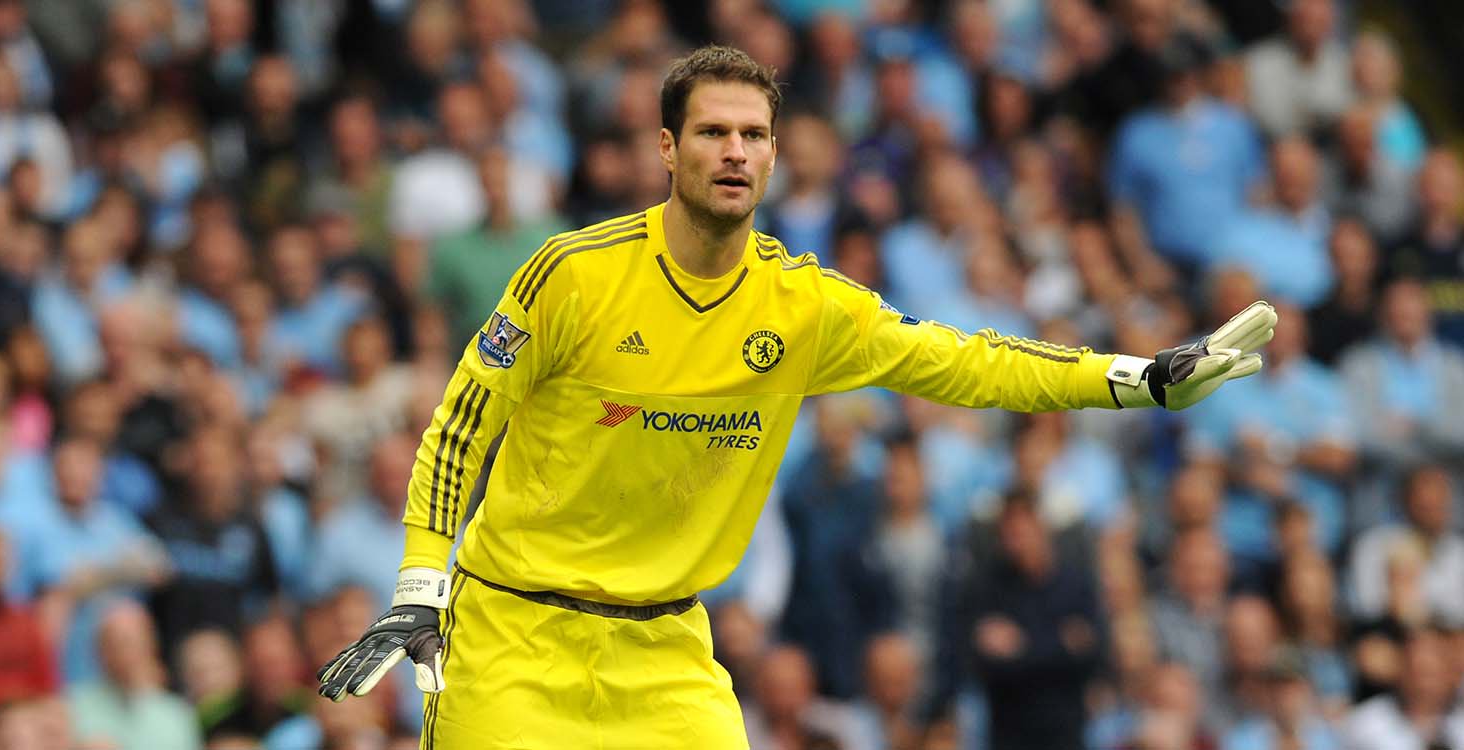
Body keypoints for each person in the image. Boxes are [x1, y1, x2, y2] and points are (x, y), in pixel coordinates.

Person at [315, 45, 1277, 749]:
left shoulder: (805, 307)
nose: (735, 151)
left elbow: (970, 360)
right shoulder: (572, 274)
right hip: (513, 639)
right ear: (667, 148)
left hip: (666, 653)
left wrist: (1135, 379)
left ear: (774, 155)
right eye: (713, 133)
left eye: (754, 135)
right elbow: (458, 429)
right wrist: (420, 587)